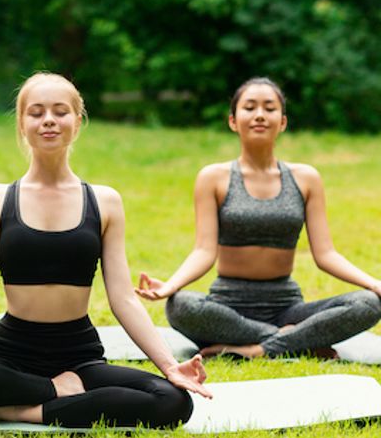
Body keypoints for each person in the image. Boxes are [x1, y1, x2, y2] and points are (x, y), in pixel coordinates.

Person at [0, 72, 209, 429]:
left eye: (60, 111)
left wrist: (169, 366)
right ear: (21, 124)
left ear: (77, 122)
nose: (48, 119)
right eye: (36, 112)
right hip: (11, 355)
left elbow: (123, 299)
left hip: (79, 358)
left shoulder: (105, 201)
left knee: (173, 402)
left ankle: (14, 410)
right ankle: (53, 391)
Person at [136, 78, 381, 359]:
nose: (260, 115)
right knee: (180, 305)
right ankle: (297, 341)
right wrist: (170, 285)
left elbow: (326, 254)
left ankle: (259, 349)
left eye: (270, 108)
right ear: (233, 121)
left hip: (287, 306)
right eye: (250, 107)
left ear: (283, 122)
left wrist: (374, 283)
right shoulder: (213, 177)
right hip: (228, 307)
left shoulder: (306, 178)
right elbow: (203, 251)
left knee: (368, 303)